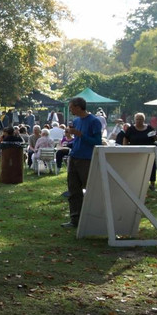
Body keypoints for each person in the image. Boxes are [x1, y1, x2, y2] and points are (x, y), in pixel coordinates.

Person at [62, 97, 103, 228]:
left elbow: (97, 142)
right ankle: (75, 220)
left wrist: (80, 135)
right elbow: (77, 140)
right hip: (74, 157)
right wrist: (70, 139)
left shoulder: (94, 121)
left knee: (90, 189)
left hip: (87, 159)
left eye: (71, 107)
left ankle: (95, 218)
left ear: (79, 107)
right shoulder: (76, 121)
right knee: (73, 189)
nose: (70, 109)